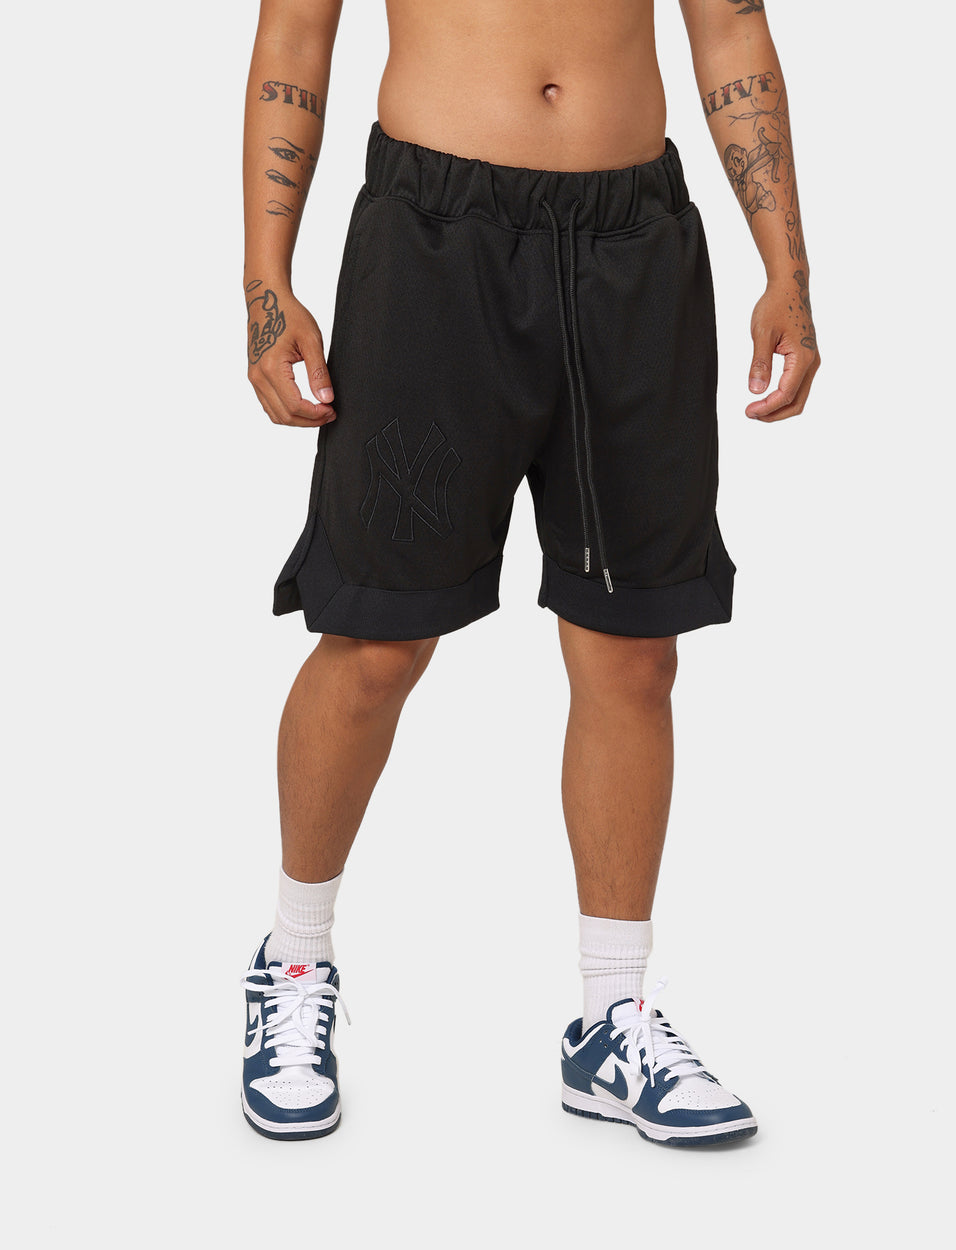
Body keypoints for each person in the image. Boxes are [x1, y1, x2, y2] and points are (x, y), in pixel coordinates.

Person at [240, 0, 819, 1145]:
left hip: (632, 238)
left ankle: (612, 1016)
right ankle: (294, 959)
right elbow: (295, 34)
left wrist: (785, 268)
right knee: (374, 639)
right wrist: (267, 283)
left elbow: (731, 30)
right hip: (433, 235)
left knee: (633, 648)